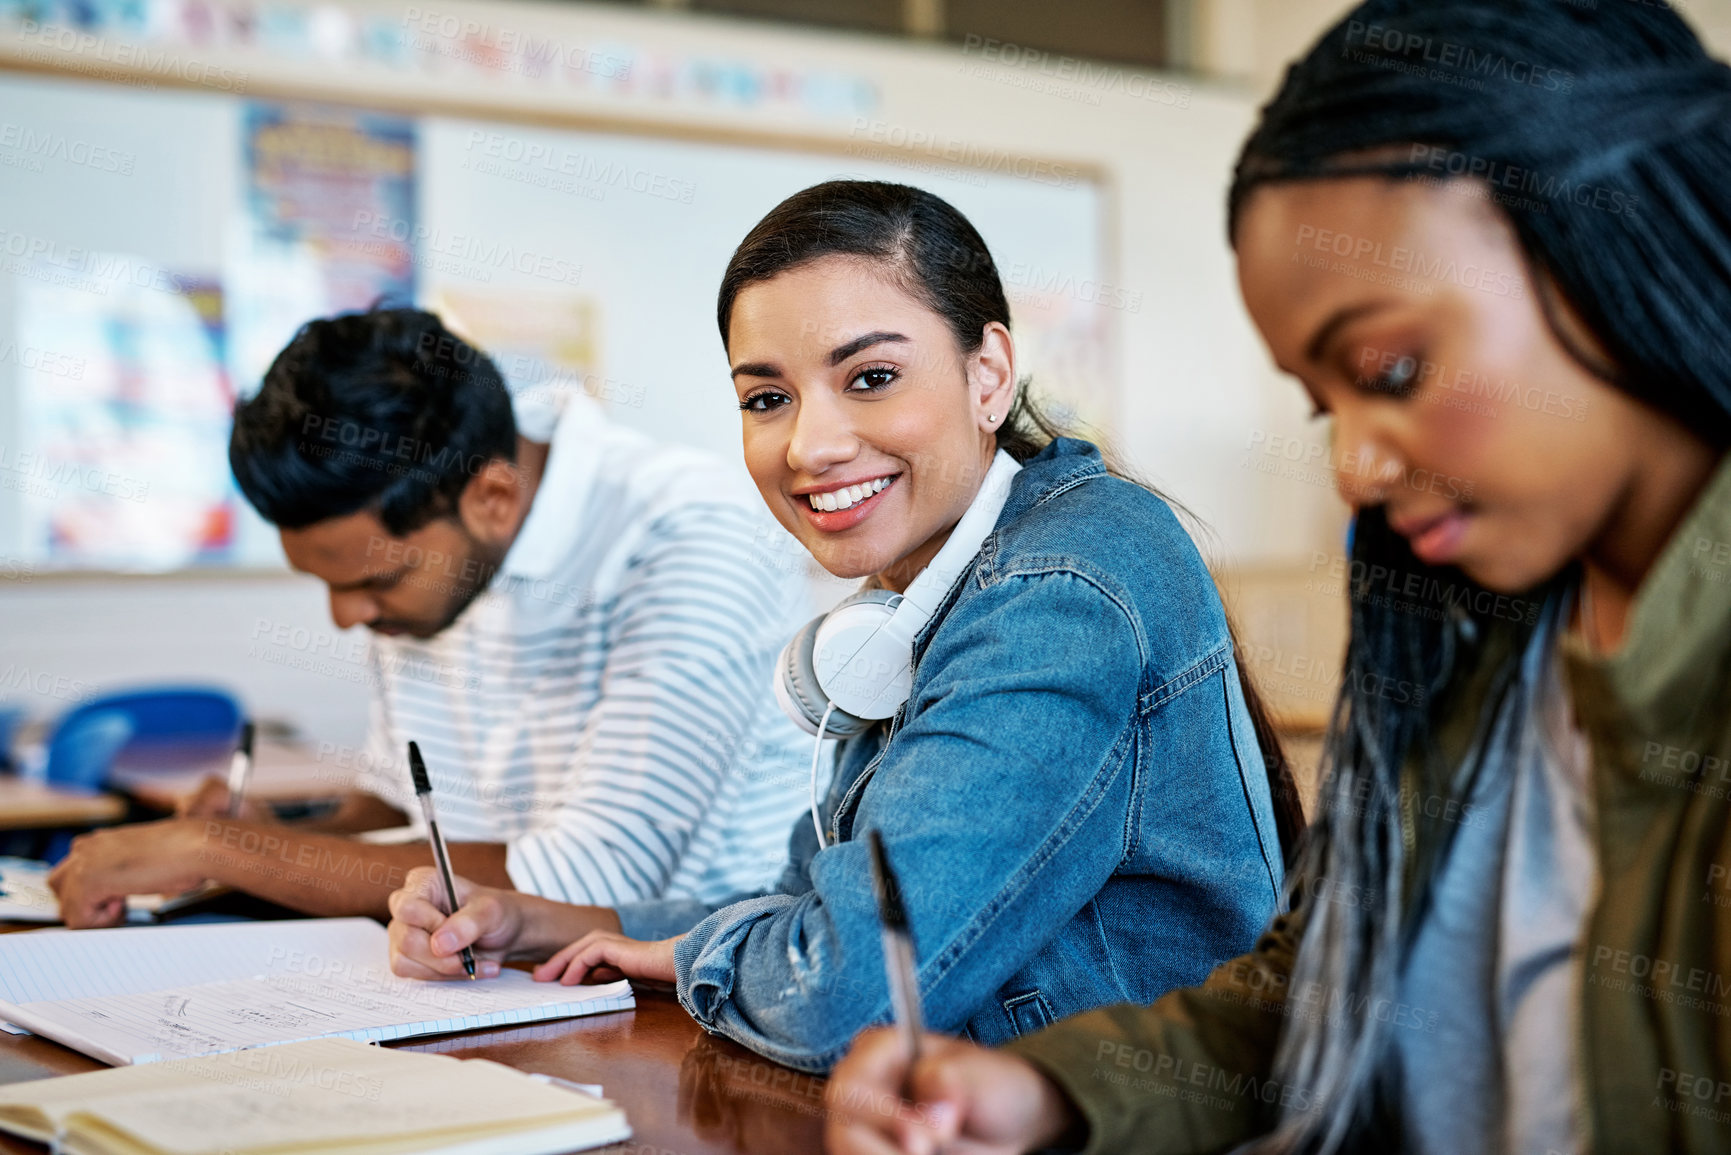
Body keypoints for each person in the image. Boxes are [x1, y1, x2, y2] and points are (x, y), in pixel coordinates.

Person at [825, 1, 1731, 1152]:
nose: (1354, 467)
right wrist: (1051, 1093)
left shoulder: (1077, 569)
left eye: (1393, 368)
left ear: (1622, 242)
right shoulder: (1493, 636)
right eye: (1326, 403)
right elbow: (1330, 991)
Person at [384, 181, 1302, 1073]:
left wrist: (715, 955)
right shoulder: (925, 581)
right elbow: (813, 900)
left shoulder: (1055, 588)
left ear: (987, 374)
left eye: (871, 377)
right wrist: (569, 922)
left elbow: (850, 992)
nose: (809, 446)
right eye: (766, 397)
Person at [49, 308, 813, 927]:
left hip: (687, 997)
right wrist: (265, 842)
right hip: (472, 969)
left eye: (375, 579)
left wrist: (228, 848)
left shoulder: (691, 534)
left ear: (493, 498)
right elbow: (399, 807)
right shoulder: (430, 556)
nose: (347, 615)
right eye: (327, 582)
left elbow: (588, 879)